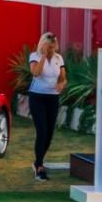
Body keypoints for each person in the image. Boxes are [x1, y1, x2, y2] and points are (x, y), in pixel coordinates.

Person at [27, 31, 66, 181]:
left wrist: (61, 85)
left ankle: (37, 161)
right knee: (42, 131)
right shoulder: (34, 56)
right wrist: (43, 56)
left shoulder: (58, 58)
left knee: (49, 133)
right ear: (43, 45)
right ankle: (40, 166)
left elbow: (63, 78)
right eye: (49, 47)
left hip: (52, 98)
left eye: (53, 46)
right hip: (37, 97)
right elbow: (35, 73)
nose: (52, 50)